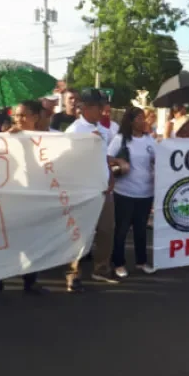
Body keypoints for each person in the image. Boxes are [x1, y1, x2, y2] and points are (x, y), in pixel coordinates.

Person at [0, 100, 51, 294]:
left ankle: (31, 280)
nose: (19, 119)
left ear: (35, 117)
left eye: (23, 115)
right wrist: (4, 137)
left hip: (35, 196)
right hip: (11, 195)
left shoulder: (47, 138)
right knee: (5, 240)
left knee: (32, 241)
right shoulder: (7, 137)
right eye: (16, 115)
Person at [66, 89, 126, 290]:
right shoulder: (74, 131)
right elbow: (69, 162)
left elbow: (103, 156)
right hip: (83, 190)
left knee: (106, 229)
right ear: (88, 107)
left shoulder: (102, 129)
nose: (103, 110)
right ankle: (73, 274)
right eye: (100, 106)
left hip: (103, 188)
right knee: (80, 232)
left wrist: (110, 173)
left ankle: (101, 269)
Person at [108, 107, 157, 278]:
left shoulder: (150, 140)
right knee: (121, 230)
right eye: (139, 118)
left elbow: (159, 159)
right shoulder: (120, 139)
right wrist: (119, 161)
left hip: (146, 192)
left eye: (144, 118)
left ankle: (141, 262)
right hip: (125, 193)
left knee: (141, 230)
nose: (143, 121)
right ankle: (119, 263)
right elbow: (107, 158)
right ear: (130, 121)